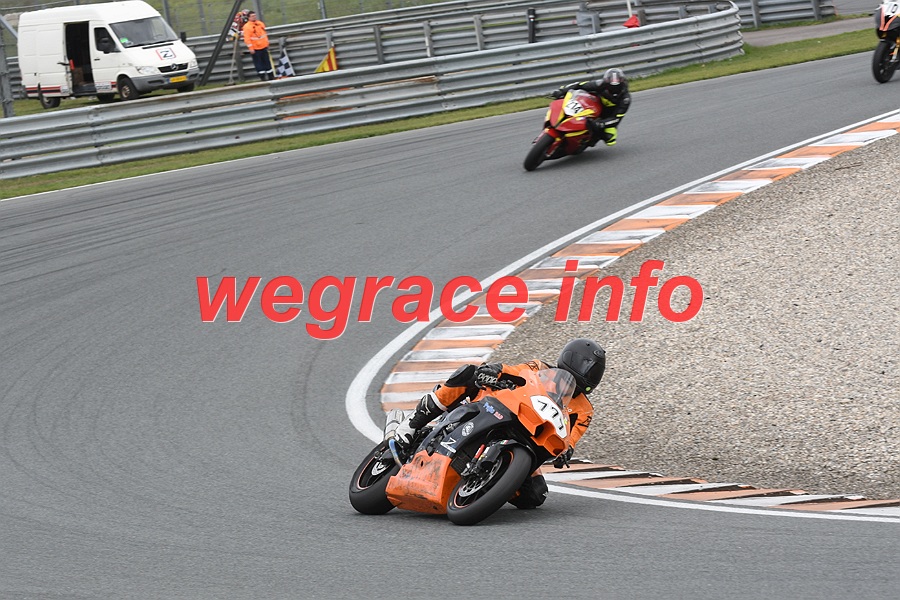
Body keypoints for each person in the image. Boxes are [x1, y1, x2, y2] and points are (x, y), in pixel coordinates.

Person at [389, 338, 605, 509]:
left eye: (593, 371)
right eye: (586, 366)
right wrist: (494, 371)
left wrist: (566, 452)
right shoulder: (540, 368)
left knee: (535, 496)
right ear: (569, 358)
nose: (588, 374)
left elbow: (572, 438)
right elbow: (513, 371)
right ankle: (412, 424)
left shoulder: (585, 410)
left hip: (530, 440)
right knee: (470, 373)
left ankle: (488, 482)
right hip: (499, 409)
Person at [550, 67, 631, 147]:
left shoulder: (625, 99)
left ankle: (586, 140)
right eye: (611, 87)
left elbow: (616, 118)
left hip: (608, 116)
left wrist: (601, 123)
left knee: (610, 139)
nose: (613, 91)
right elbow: (579, 85)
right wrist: (562, 91)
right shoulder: (600, 84)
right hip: (593, 106)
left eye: (617, 88)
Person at [242, 11, 274, 81]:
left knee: (267, 62)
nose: (254, 17)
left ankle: (270, 76)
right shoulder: (247, 27)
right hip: (255, 48)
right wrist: (251, 48)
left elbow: (264, 35)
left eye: (255, 16)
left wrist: (267, 44)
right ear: (248, 17)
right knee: (258, 63)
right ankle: (262, 77)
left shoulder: (260, 23)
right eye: (252, 16)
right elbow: (247, 39)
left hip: (264, 46)